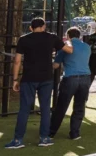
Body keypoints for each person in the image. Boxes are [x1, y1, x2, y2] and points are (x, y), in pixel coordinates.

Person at [5, 18, 71, 149]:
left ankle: (18, 140)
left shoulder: (23, 39)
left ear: (31, 28)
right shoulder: (51, 37)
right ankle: (44, 138)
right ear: (44, 26)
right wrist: (69, 40)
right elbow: (69, 50)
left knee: (24, 109)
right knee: (45, 108)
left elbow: (17, 61)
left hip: (28, 78)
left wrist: (15, 79)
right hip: (46, 77)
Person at [49, 27, 92, 140]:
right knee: (79, 106)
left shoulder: (65, 47)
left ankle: (51, 132)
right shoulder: (87, 47)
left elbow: (56, 65)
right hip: (86, 78)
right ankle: (75, 133)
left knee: (61, 106)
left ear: (68, 36)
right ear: (79, 36)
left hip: (70, 78)